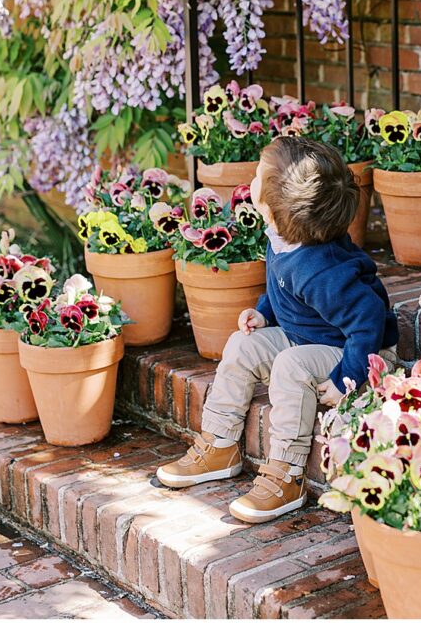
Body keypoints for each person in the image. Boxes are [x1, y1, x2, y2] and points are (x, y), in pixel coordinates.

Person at [155, 135, 399, 523]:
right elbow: (283, 287)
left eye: (257, 176)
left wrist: (347, 377)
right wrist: (265, 313)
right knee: (241, 345)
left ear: (273, 206)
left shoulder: (321, 270)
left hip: (356, 350)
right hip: (309, 334)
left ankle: (286, 474)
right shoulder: (285, 237)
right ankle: (220, 445)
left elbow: (368, 319)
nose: (252, 180)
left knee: (291, 366)